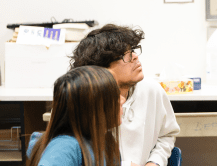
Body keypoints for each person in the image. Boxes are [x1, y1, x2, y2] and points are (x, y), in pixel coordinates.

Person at [70, 24, 180, 166]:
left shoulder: (152, 90)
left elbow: (166, 135)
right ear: (101, 69)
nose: (135, 57)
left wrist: (155, 162)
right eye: (125, 55)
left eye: (132, 50)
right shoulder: (84, 101)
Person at [27, 66, 122, 166]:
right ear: (91, 108)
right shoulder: (65, 147)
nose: (122, 101)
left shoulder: (106, 141)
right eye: (115, 98)